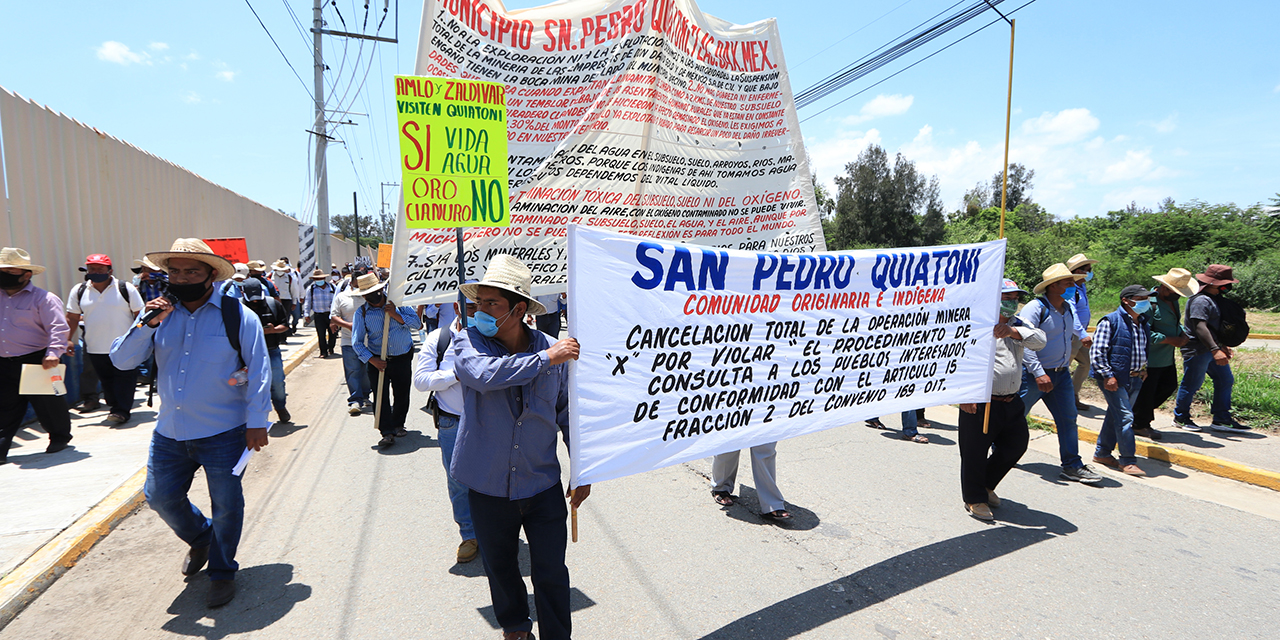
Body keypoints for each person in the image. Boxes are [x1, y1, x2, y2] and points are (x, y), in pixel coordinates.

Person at [110, 238, 271, 608]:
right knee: (160, 497)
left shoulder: (237, 315)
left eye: (191, 271)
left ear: (210, 275)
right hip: (169, 432)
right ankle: (201, 538)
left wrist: (257, 421)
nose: (182, 279)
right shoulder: (156, 314)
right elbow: (121, 361)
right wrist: (147, 324)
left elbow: (259, 370)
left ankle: (222, 571)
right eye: (175, 272)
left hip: (224, 431)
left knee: (226, 504)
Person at [451, 255, 588, 640]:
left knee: (551, 571)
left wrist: (583, 470)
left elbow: (566, 414)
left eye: (491, 304)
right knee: (501, 566)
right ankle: (514, 627)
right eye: (478, 303)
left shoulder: (553, 350)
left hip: (541, 484)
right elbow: (483, 376)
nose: (480, 311)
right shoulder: (467, 342)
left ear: (519, 309)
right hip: (487, 484)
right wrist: (546, 358)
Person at [959, 279, 1045, 520]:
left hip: (1011, 400)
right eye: (1005, 298)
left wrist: (1012, 331)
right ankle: (975, 499)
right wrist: (965, 394)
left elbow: (1040, 340)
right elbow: (960, 360)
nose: (1011, 303)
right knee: (974, 452)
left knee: (1016, 445)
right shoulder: (976, 323)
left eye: (1014, 299)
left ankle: (985, 485)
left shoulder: (1020, 324)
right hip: (981, 401)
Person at [1018, 263, 1104, 485]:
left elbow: (1074, 327)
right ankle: (1000, 451)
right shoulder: (1035, 308)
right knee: (1015, 417)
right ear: (1054, 286)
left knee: (1068, 419)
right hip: (1034, 376)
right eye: (1068, 282)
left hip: (1061, 374)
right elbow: (1025, 343)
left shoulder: (1067, 307)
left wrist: (1083, 335)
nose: (1072, 285)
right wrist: (1038, 373)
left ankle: (1072, 465)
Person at [413, 293, 480, 564]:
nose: (480, 312)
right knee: (459, 481)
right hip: (452, 422)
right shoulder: (438, 340)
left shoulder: (496, 337)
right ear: (457, 308)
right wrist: (455, 374)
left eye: (486, 306)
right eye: (473, 307)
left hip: (490, 421)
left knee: (495, 477)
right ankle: (469, 534)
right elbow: (421, 380)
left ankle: (496, 530)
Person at [0, 247, 73, 464]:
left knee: (49, 404)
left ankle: (60, 436)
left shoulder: (44, 299)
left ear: (27, 274)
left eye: (9, 272)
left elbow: (58, 328)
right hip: (4, 362)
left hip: (37, 360)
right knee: (5, 407)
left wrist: (53, 353)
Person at [65, 254, 145, 424]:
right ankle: (116, 407)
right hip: (95, 346)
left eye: (100, 269)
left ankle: (121, 411)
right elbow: (71, 317)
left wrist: (139, 337)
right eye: (92, 269)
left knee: (125, 379)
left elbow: (140, 315)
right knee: (108, 382)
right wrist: (67, 339)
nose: (95, 272)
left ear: (110, 271)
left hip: (125, 345)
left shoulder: (126, 288)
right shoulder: (79, 291)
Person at [1173, 265, 1250, 433]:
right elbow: (1200, 327)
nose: (1227, 286)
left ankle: (1221, 418)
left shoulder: (1213, 298)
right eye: (1225, 283)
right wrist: (1215, 350)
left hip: (1212, 349)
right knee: (1192, 383)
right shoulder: (1201, 300)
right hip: (1198, 350)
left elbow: (1213, 327)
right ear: (1214, 283)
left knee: (1225, 380)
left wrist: (1222, 346)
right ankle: (1181, 417)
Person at [350, 273, 421, 447]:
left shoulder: (399, 304)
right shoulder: (362, 312)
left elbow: (417, 324)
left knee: (401, 393)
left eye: (374, 291)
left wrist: (396, 314)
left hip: (402, 356)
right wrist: (372, 360)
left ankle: (398, 424)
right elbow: (357, 342)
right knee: (380, 396)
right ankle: (386, 431)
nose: (372, 297)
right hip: (378, 360)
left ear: (381, 289)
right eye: (367, 294)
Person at [1090, 285, 1153, 477]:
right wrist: (1108, 375)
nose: (1146, 302)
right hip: (1114, 378)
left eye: (1147, 298)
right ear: (1126, 300)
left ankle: (1102, 453)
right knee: (1125, 417)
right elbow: (1097, 351)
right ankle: (1128, 460)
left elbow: (1141, 349)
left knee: (1115, 415)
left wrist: (1143, 369)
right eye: (1141, 298)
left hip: (1135, 377)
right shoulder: (1110, 321)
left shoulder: (1143, 322)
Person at [1134, 268, 1197, 440]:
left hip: (1166, 357)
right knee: (1147, 392)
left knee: (1168, 386)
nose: (1178, 296)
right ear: (1164, 287)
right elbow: (1144, 332)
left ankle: (1136, 413)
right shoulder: (1149, 303)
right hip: (1151, 358)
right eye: (1175, 292)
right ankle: (1140, 423)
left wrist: (1182, 332)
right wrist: (1170, 339)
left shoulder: (1172, 301)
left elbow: (1174, 323)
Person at [240, 279, 291, 424]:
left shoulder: (273, 304)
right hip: (246, 354)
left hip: (271, 350)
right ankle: (253, 418)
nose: (255, 302)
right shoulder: (237, 307)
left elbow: (285, 325)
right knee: (249, 386)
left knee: (277, 383)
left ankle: (281, 408)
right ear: (243, 293)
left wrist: (272, 330)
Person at [331, 270, 372, 415]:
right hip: (349, 341)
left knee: (367, 371)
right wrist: (348, 325)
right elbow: (334, 316)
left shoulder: (370, 295)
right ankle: (355, 400)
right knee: (353, 370)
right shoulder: (342, 297)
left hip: (370, 342)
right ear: (353, 281)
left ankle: (366, 396)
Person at [1065, 253, 1098, 410]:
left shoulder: (1081, 286)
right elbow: (1072, 313)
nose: (1090, 273)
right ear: (1078, 271)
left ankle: (1072, 395)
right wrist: (1083, 334)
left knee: (1086, 364)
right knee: (1063, 369)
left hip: (1079, 336)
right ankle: (1062, 399)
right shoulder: (1070, 289)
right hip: (1073, 336)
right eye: (1088, 269)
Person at [301, 269, 337, 357]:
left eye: (320, 278)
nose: (319, 281)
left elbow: (337, 300)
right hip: (319, 315)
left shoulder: (332, 287)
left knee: (333, 333)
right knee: (321, 334)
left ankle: (331, 347)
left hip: (331, 315)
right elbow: (308, 302)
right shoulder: (311, 289)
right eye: (316, 279)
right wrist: (306, 314)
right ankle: (323, 352)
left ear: (324, 278)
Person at [268, 259, 302, 335]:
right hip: (274, 300)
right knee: (274, 318)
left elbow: (294, 290)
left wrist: (294, 303)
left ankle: (284, 337)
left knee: (285, 319)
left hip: (286, 300)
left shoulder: (290, 278)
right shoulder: (269, 276)